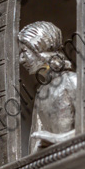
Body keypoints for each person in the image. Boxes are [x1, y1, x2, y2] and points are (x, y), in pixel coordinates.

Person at [18, 21, 77, 149]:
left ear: (41, 50)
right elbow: (36, 143)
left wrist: (58, 139)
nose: (21, 59)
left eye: (24, 51)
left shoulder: (72, 81)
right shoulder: (41, 93)